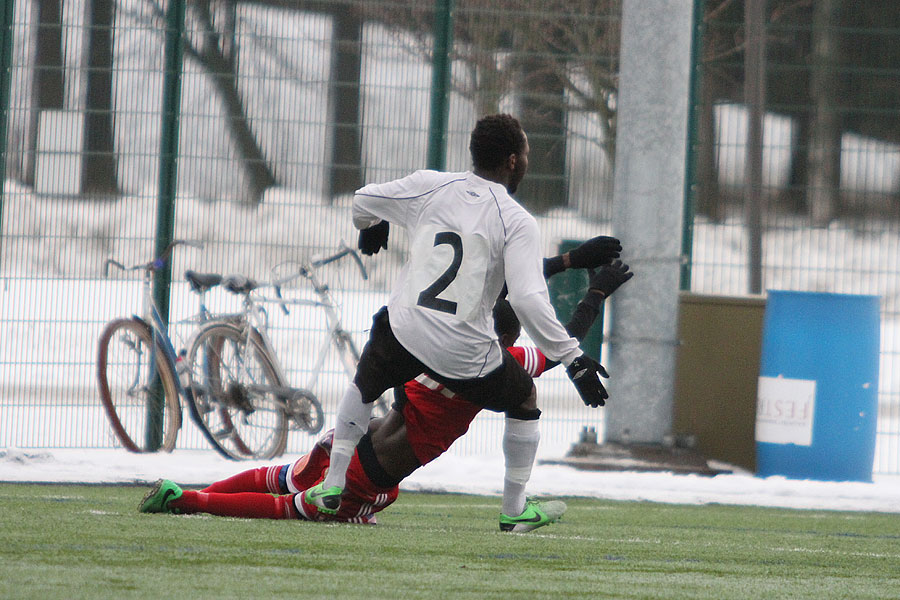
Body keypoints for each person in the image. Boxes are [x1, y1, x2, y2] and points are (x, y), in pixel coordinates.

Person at [139, 260, 633, 531]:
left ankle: (185, 490)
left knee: (281, 477)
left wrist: (567, 265)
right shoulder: (499, 368)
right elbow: (559, 344)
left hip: (349, 441)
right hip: (370, 474)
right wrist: (596, 293)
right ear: (506, 342)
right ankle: (188, 500)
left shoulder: (436, 341)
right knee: (291, 509)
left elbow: (496, 291)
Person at [303, 113, 616, 518]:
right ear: (512, 161)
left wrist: (371, 224)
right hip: (462, 351)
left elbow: (363, 199)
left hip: (406, 331)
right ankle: (514, 510)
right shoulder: (517, 220)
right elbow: (526, 298)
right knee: (525, 396)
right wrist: (574, 359)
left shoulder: (432, 185)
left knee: (368, 375)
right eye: (525, 152)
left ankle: (332, 485)